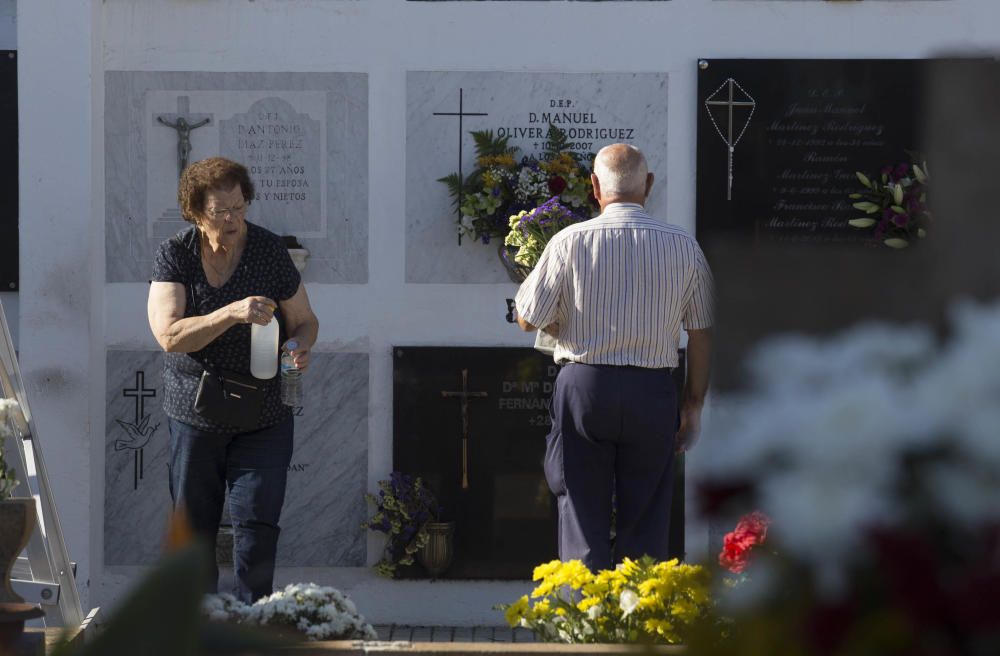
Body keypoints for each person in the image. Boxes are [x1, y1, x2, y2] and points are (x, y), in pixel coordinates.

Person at [514, 144, 713, 571]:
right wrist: (693, 405)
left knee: (582, 514)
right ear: (649, 185)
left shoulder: (569, 241)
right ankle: (638, 625)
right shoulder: (684, 247)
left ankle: (584, 626)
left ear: (594, 187)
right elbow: (701, 332)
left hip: (585, 387)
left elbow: (527, 318)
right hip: (653, 389)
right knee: (646, 520)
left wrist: (565, 320)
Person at [147, 156, 319, 602]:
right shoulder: (176, 253)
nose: (233, 220)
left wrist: (300, 346)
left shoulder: (267, 250)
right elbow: (169, 335)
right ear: (195, 211)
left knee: (259, 521)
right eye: (221, 212)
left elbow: (305, 320)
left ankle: (253, 624)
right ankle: (197, 628)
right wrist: (231, 312)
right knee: (194, 527)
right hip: (196, 411)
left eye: (239, 208)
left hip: (264, 411)